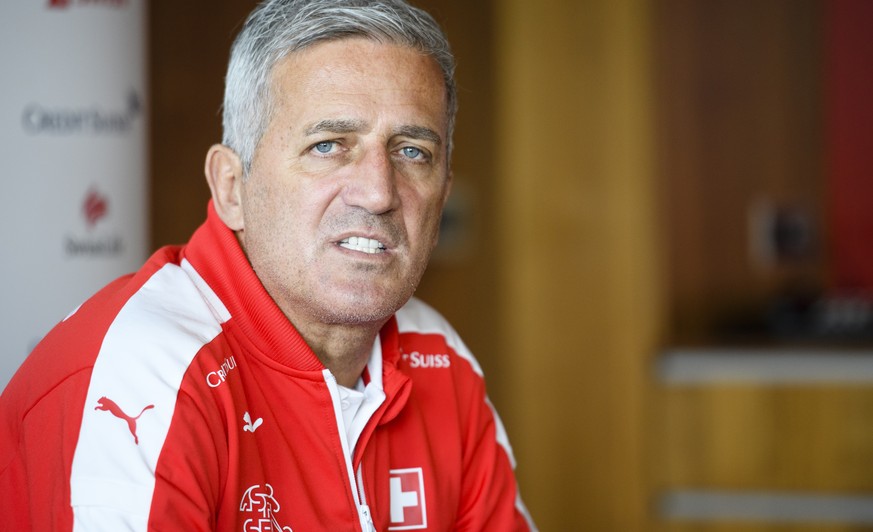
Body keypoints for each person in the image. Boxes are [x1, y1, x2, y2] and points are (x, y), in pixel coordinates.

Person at [0, 0, 536, 530]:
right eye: (328, 145)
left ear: (443, 192)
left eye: (412, 151)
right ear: (232, 188)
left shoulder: (437, 354)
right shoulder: (146, 377)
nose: (378, 193)